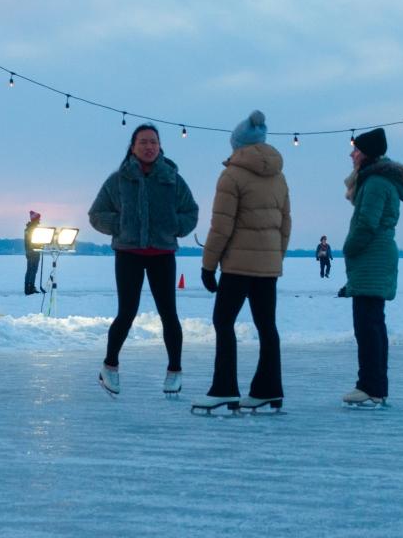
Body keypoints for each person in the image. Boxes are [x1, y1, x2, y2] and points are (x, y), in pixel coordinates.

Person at [88, 123, 199, 397]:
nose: (149, 147)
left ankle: (175, 371)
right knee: (127, 312)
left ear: (160, 146)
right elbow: (97, 213)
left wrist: (175, 226)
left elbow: (191, 211)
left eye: (153, 142)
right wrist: (122, 224)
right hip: (129, 253)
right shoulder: (119, 179)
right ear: (133, 146)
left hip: (162, 253)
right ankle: (110, 366)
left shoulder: (171, 178)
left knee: (168, 314)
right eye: (143, 142)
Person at [193, 111, 291, 412]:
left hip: (236, 266)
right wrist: (276, 257)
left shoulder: (232, 174)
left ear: (237, 145)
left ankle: (224, 388)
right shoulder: (278, 176)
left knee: (224, 322)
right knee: (267, 326)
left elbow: (221, 226)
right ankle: (268, 389)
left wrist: (208, 266)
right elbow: (285, 223)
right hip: (267, 267)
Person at [341, 127, 403, 408]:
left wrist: (348, 247)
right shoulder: (378, 180)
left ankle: (370, 386)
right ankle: (375, 386)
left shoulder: (374, 183)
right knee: (373, 324)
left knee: (367, 326)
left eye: (356, 150)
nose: (352, 154)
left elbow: (367, 224)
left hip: (372, 258)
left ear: (367, 154)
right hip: (375, 258)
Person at [23, 211, 43, 296]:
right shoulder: (33, 229)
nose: (40, 220)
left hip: (30, 252)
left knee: (30, 270)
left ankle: (28, 288)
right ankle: (30, 288)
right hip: (33, 252)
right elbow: (33, 241)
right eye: (39, 218)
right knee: (33, 270)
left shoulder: (28, 228)